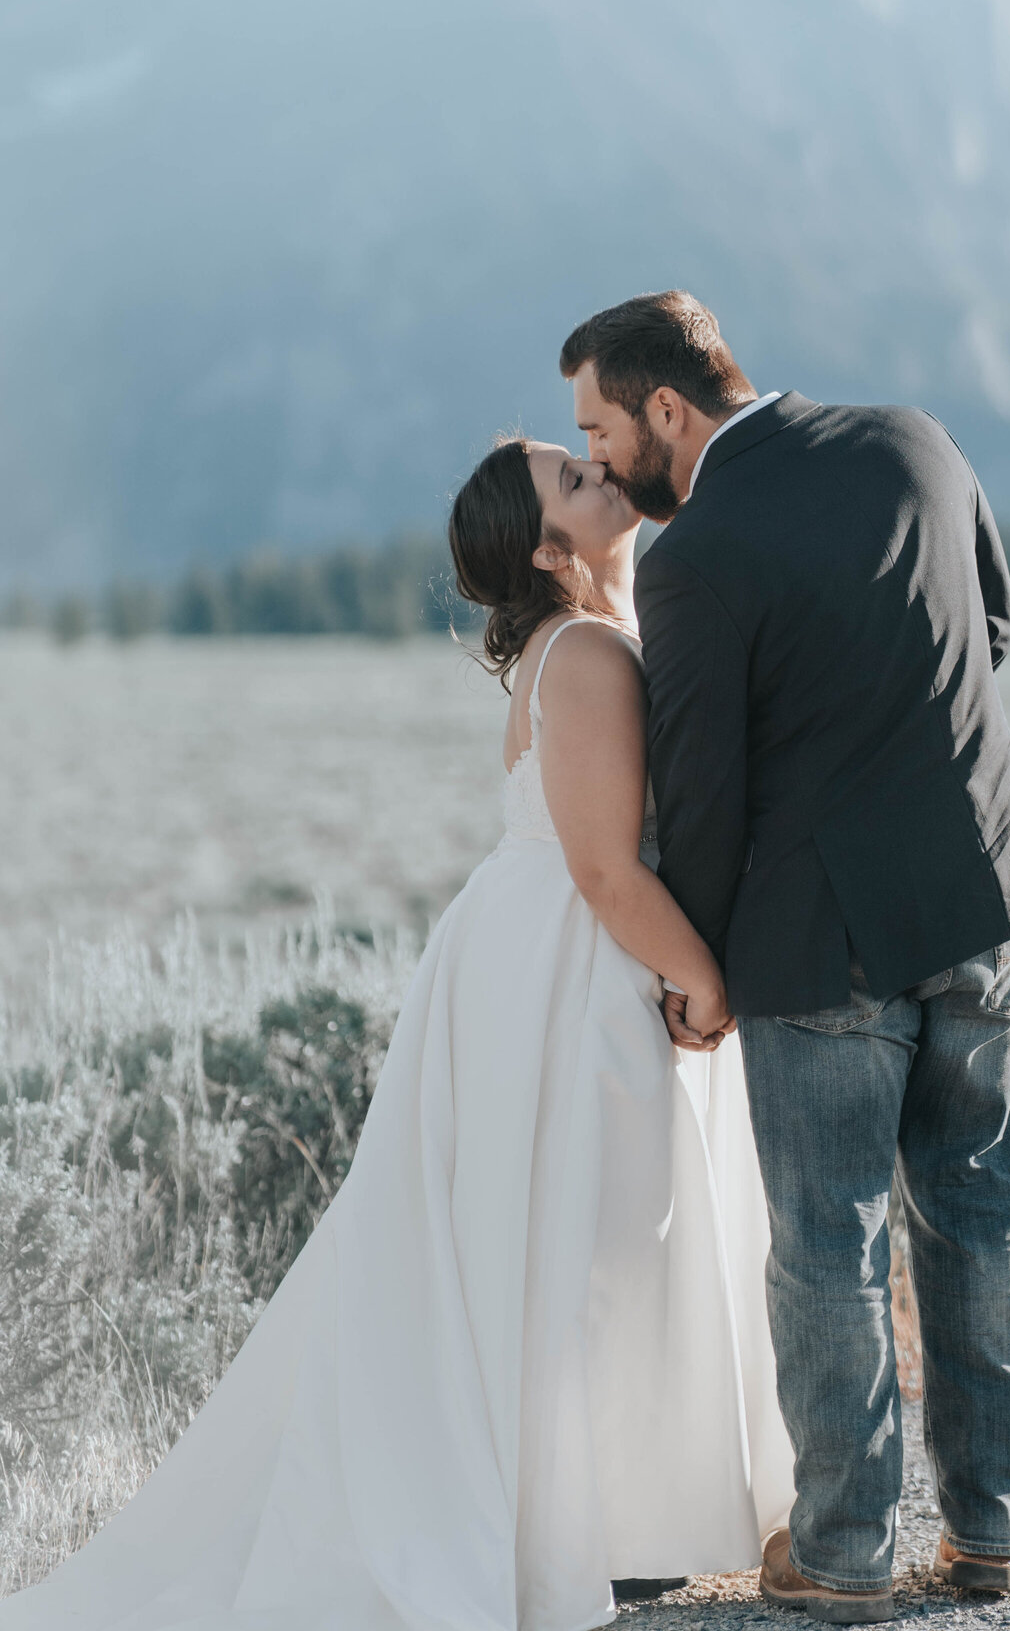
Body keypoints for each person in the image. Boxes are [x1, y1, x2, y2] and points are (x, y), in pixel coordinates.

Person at [3, 434, 791, 1631]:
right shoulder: (583, 654)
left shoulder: (576, 642)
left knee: (558, 1235)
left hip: (530, 954)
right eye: (571, 482)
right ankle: (563, 1525)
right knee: (588, 1233)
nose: (599, 477)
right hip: (566, 965)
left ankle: (594, 1516)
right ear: (545, 548)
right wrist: (706, 980)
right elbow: (601, 867)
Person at [561, 290, 1010, 1626]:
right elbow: (992, 635)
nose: (600, 459)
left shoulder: (695, 555)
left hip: (820, 946)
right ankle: (990, 1536)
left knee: (828, 1245)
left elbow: (706, 794)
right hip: (983, 898)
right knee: (979, 1217)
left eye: (599, 428)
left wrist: (698, 971)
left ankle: (842, 1553)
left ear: (667, 409)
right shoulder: (917, 442)